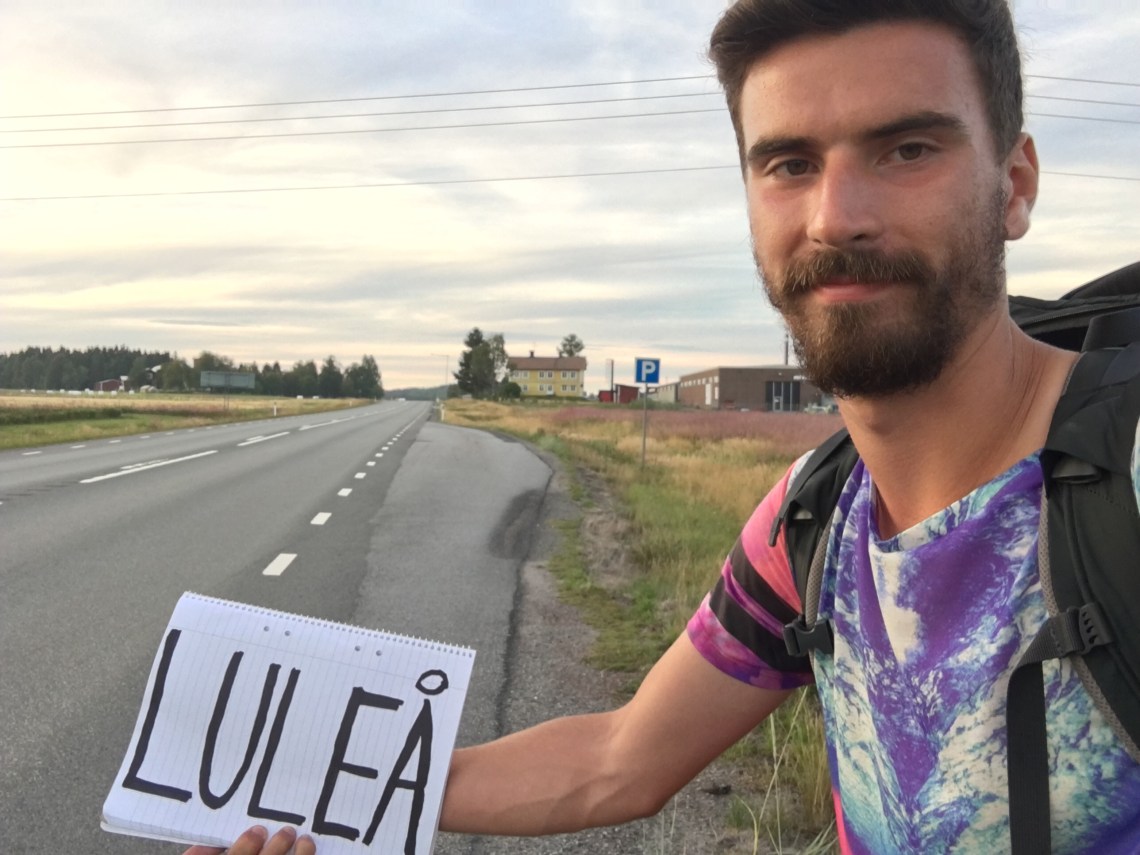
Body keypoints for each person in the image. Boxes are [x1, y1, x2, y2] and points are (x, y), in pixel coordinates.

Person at [192, 1, 1140, 852]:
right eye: (790, 164)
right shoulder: (813, 518)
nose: (836, 217)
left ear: (1015, 184)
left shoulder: (1122, 482)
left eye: (908, 150)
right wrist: (308, 791)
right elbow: (617, 759)